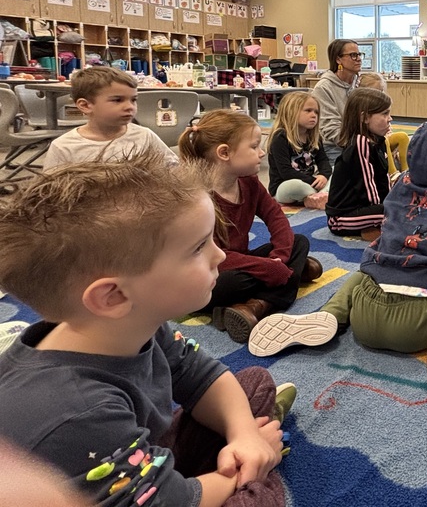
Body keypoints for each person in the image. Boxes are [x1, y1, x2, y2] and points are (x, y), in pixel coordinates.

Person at [0, 154, 293, 507]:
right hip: (119, 483)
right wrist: (253, 467)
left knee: (253, 384)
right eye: (199, 247)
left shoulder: (135, 325)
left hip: (128, 457)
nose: (219, 256)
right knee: (256, 498)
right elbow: (170, 502)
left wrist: (245, 435)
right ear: (114, 296)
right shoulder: (78, 411)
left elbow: (200, 374)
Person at [247, 117, 427, 399]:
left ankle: (328, 315)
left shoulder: (402, 181)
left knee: (361, 273)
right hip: (420, 324)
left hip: (366, 316)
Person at [178, 109, 320, 343]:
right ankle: (289, 279)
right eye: (254, 147)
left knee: (299, 241)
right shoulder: (198, 197)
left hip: (241, 263)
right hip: (208, 273)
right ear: (224, 153)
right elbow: (212, 256)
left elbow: (276, 217)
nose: (262, 153)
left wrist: (279, 258)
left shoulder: (249, 182)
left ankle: (255, 307)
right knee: (228, 282)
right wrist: (267, 268)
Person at [43, 66, 177, 169]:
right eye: (118, 100)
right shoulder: (64, 147)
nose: (129, 106)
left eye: (133, 100)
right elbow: (52, 195)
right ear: (85, 105)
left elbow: (173, 169)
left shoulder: (145, 136)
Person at [324, 88, 393, 241]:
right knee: (397, 212)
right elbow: (368, 187)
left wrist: (392, 200)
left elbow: (383, 179)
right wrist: (385, 207)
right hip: (341, 218)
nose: (390, 118)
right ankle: (374, 229)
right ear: (365, 118)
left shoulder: (378, 140)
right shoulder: (361, 143)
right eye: (384, 114)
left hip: (367, 211)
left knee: (400, 207)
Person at [266, 91, 331, 210]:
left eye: (316, 112)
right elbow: (286, 172)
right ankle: (322, 194)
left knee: (338, 170)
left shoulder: (314, 137)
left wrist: (323, 176)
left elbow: (323, 161)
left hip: (311, 183)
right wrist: (314, 181)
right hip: (285, 186)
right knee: (295, 186)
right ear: (291, 112)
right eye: (308, 110)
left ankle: (316, 196)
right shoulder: (280, 138)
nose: (314, 115)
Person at [311, 38, 362, 164]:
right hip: (335, 147)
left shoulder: (361, 83)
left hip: (361, 143)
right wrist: (359, 145)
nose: (359, 59)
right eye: (353, 55)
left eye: (359, 54)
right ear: (338, 59)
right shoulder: (324, 88)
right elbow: (330, 128)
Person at [357, 71, 410, 177]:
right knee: (384, 140)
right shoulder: (362, 107)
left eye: (381, 91)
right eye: (376, 91)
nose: (379, 95)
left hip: (385, 137)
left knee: (403, 137)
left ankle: (406, 170)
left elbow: (387, 126)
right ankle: (392, 173)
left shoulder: (381, 106)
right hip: (374, 139)